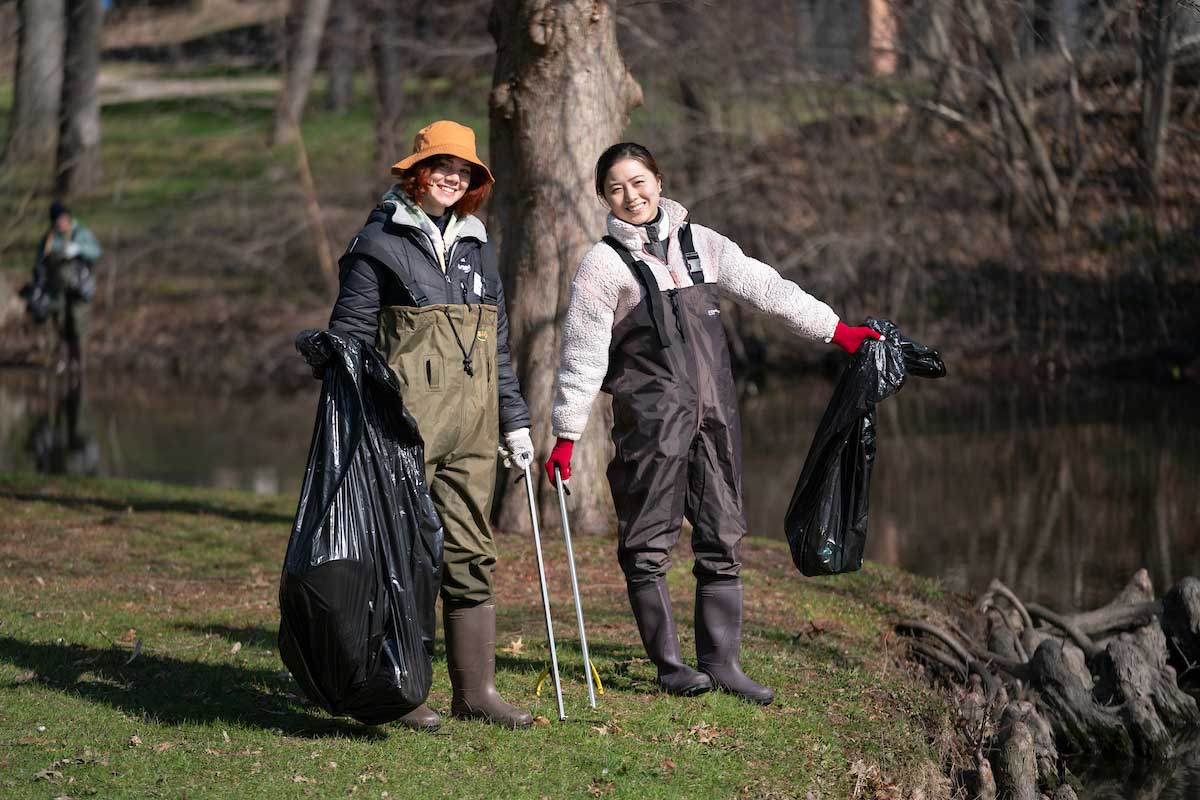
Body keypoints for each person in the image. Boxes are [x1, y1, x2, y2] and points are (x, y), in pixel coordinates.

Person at [543, 142, 882, 705]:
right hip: (649, 425)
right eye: (617, 189)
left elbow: (770, 289)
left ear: (658, 180)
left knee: (722, 533)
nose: (632, 196)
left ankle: (722, 663)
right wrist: (566, 435)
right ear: (604, 197)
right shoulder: (602, 266)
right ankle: (671, 665)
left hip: (715, 416)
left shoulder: (702, 244)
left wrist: (838, 331)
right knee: (648, 543)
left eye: (639, 182)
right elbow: (583, 355)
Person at [325, 120, 535, 730]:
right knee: (404, 555)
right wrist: (353, 416)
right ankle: (403, 690)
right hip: (400, 431)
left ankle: (477, 693)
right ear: (418, 170)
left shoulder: (477, 244)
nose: (453, 177)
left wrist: (514, 421)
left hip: (473, 431)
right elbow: (351, 337)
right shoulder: (379, 242)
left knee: (471, 551)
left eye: (464, 170)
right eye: (443, 166)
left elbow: (494, 342)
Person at [31, 202, 102, 374]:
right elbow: (39, 264)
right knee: (60, 323)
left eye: (63, 218)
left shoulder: (80, 234)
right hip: (56, 288)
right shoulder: (48, 238)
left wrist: (79, 248)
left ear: (68, 218)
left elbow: (96, 252)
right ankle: (63, 363)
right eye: (57, 220)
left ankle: (80, 365)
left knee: (77, 322)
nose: (61, 222)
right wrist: (38, 284)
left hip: (79, 287)